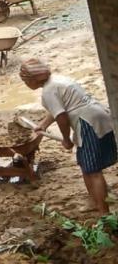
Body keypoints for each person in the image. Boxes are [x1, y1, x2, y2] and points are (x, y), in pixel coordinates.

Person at [19, 58, 116, 214]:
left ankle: (104, 213)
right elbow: (58, 109)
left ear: (33, 79)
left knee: (94, 171)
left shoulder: (48, 91)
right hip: (99, 116)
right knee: (87, 166)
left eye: (25, 80)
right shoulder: (57, 80)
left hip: (88, 123)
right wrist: (43, 125)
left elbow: (61, 117)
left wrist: (66, 139)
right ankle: (95, 201)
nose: (25, 83)